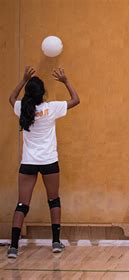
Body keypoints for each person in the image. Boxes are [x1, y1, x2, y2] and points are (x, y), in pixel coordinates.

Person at [7, 66, 80, 258]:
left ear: (28, 93)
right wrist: (65, 81)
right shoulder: (51, 108)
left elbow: (11, 98)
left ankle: (13, 246)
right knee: (53, 200)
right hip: (49, 161)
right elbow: (76, 100)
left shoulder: (22, 108)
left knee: (22, 204)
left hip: (28, 162)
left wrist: (23, 80)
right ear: (43, 93)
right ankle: (56, 243)